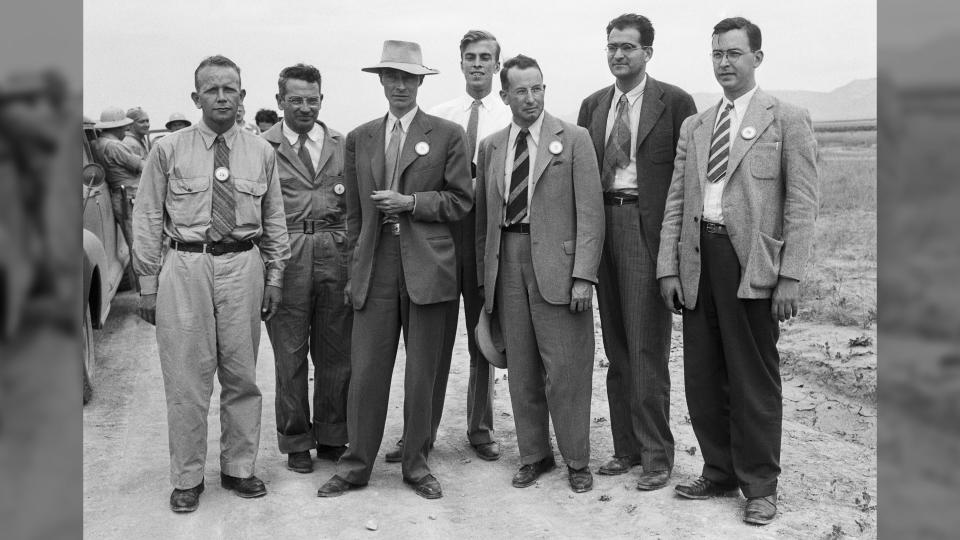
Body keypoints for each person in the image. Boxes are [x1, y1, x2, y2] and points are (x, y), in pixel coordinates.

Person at [657, 17, 819, 525]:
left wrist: (789, 275)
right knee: (703, 375)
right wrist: (669, 268)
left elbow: (802, 204)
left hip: (752, 264)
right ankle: (718, 469)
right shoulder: (696, 125)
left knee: (753, 377)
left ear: (757, 58)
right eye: (717, 54)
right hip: (698, 259)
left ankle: (760, 485)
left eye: (734, 53)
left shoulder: (787, 118)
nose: (724, 63)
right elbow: (677, 202)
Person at [131, 54, 290, 513]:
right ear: (195, 97)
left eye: (231, 89)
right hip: (186, 266)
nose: (223, 97)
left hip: (243, 266)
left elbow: (274, 218)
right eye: (213, 89)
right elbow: (146, 216)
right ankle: (187, 477)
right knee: (186, 379)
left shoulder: (261, 151)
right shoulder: (168, 149)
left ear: (243, 96)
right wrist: (146, 282)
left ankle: (240, 468)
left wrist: (275, 276)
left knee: (242, 374)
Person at [316, 40, 472, 501]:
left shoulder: (446, 134)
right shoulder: (361, 137)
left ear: (420, 82)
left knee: (423, 371)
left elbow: (462, 200)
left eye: (408, 77)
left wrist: (412, 203)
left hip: (428, 266)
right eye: (392, 76)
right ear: (380, 81)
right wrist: (354, 269)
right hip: (375, 266)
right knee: (366, 372)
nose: (400, 85)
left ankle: (416, 464)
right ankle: (356, 465)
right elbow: (353, 217)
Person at [576, 13, 696, 491]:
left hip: (647, 229)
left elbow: (688, 180)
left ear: (648, 51)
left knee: (647, 347)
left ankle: (656, 456)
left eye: (627, 46)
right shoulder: (592, 106)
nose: (618, 55)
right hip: (601, 225)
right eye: (611, 47)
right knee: (617, 348)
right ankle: (625, 449)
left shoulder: (675, 102)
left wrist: (675, 250)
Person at [382, 29, 513, 465]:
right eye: (470, 57)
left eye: (486, 58)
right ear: (460, 64)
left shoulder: (510, 118)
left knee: (482, 333)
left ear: (497, 65)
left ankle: (480, 427)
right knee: (429, 340)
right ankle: (421, 432)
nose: (477, 64)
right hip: (439, 236)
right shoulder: (437, 117)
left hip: (487, 233)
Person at [475, 54, 604, 493]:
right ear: (504, 94)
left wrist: (584, 275)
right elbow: (483, 220)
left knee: (566, 368)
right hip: (507, 260)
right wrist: (485, 278)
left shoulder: (575, 139)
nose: (531, 98)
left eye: (538, 88)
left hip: (559, 266)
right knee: (523, 367)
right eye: (521, 90)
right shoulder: (491, 146)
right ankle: (534, 455)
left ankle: (577, 460)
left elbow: (591, 213)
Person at [261, 63, 351, 474]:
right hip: (288, 252)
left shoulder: (341, 144)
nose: (304, 107)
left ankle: (333, 434)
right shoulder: (263, 146)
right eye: (294, 99)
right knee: (290, 353)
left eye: (311, 99)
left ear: (321, 100)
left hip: (335, 249)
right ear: (280, 101)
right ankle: (296, 439)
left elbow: (355, 207)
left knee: (335, 351)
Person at [93, 106, 145, 274]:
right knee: (139, 242)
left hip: (121, 195)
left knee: (134, 241)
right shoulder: (115, 146)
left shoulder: (98, 144)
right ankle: (145, 286)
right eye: (124, 127)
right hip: (128, 196)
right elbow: (141, 166)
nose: (126, 130)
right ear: (116, 127)